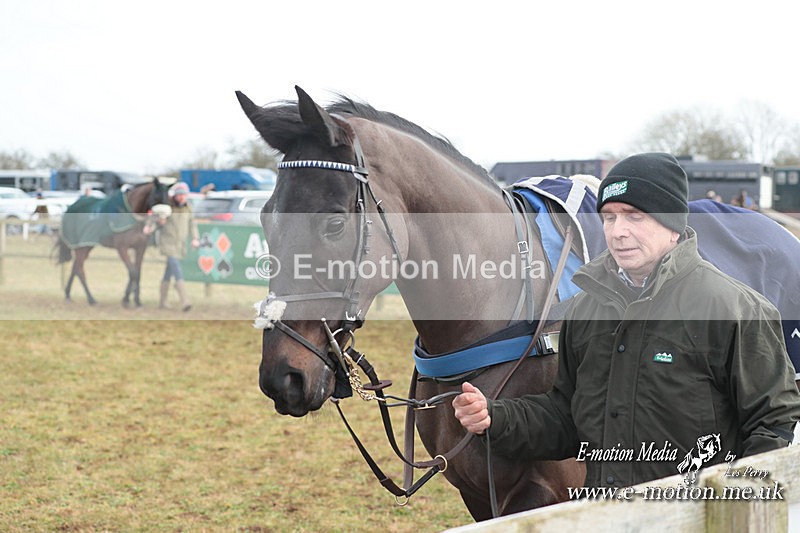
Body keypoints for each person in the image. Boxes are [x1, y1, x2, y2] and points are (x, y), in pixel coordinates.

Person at [453, 152, 800, 489]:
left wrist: (737, 505)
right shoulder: (584, 313)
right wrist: (495, 418)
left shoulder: (736, 310)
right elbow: (566, 418)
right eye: (609, 217)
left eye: (634, 216)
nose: (618, 231)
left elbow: (773, 424)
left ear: (673, 225)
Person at [158, 181, 199, 311]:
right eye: (179, 195)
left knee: (168, 273)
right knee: (176, 270)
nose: (181, 197)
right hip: (168, 244)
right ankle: (185, 301)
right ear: (175, 196)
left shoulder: (188, 209)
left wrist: (195, 238)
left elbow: (192, 224)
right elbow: (156, 223)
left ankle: (162, 301)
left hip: (180, 245)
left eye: (184, 195)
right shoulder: (168, 208)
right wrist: (160, 222)